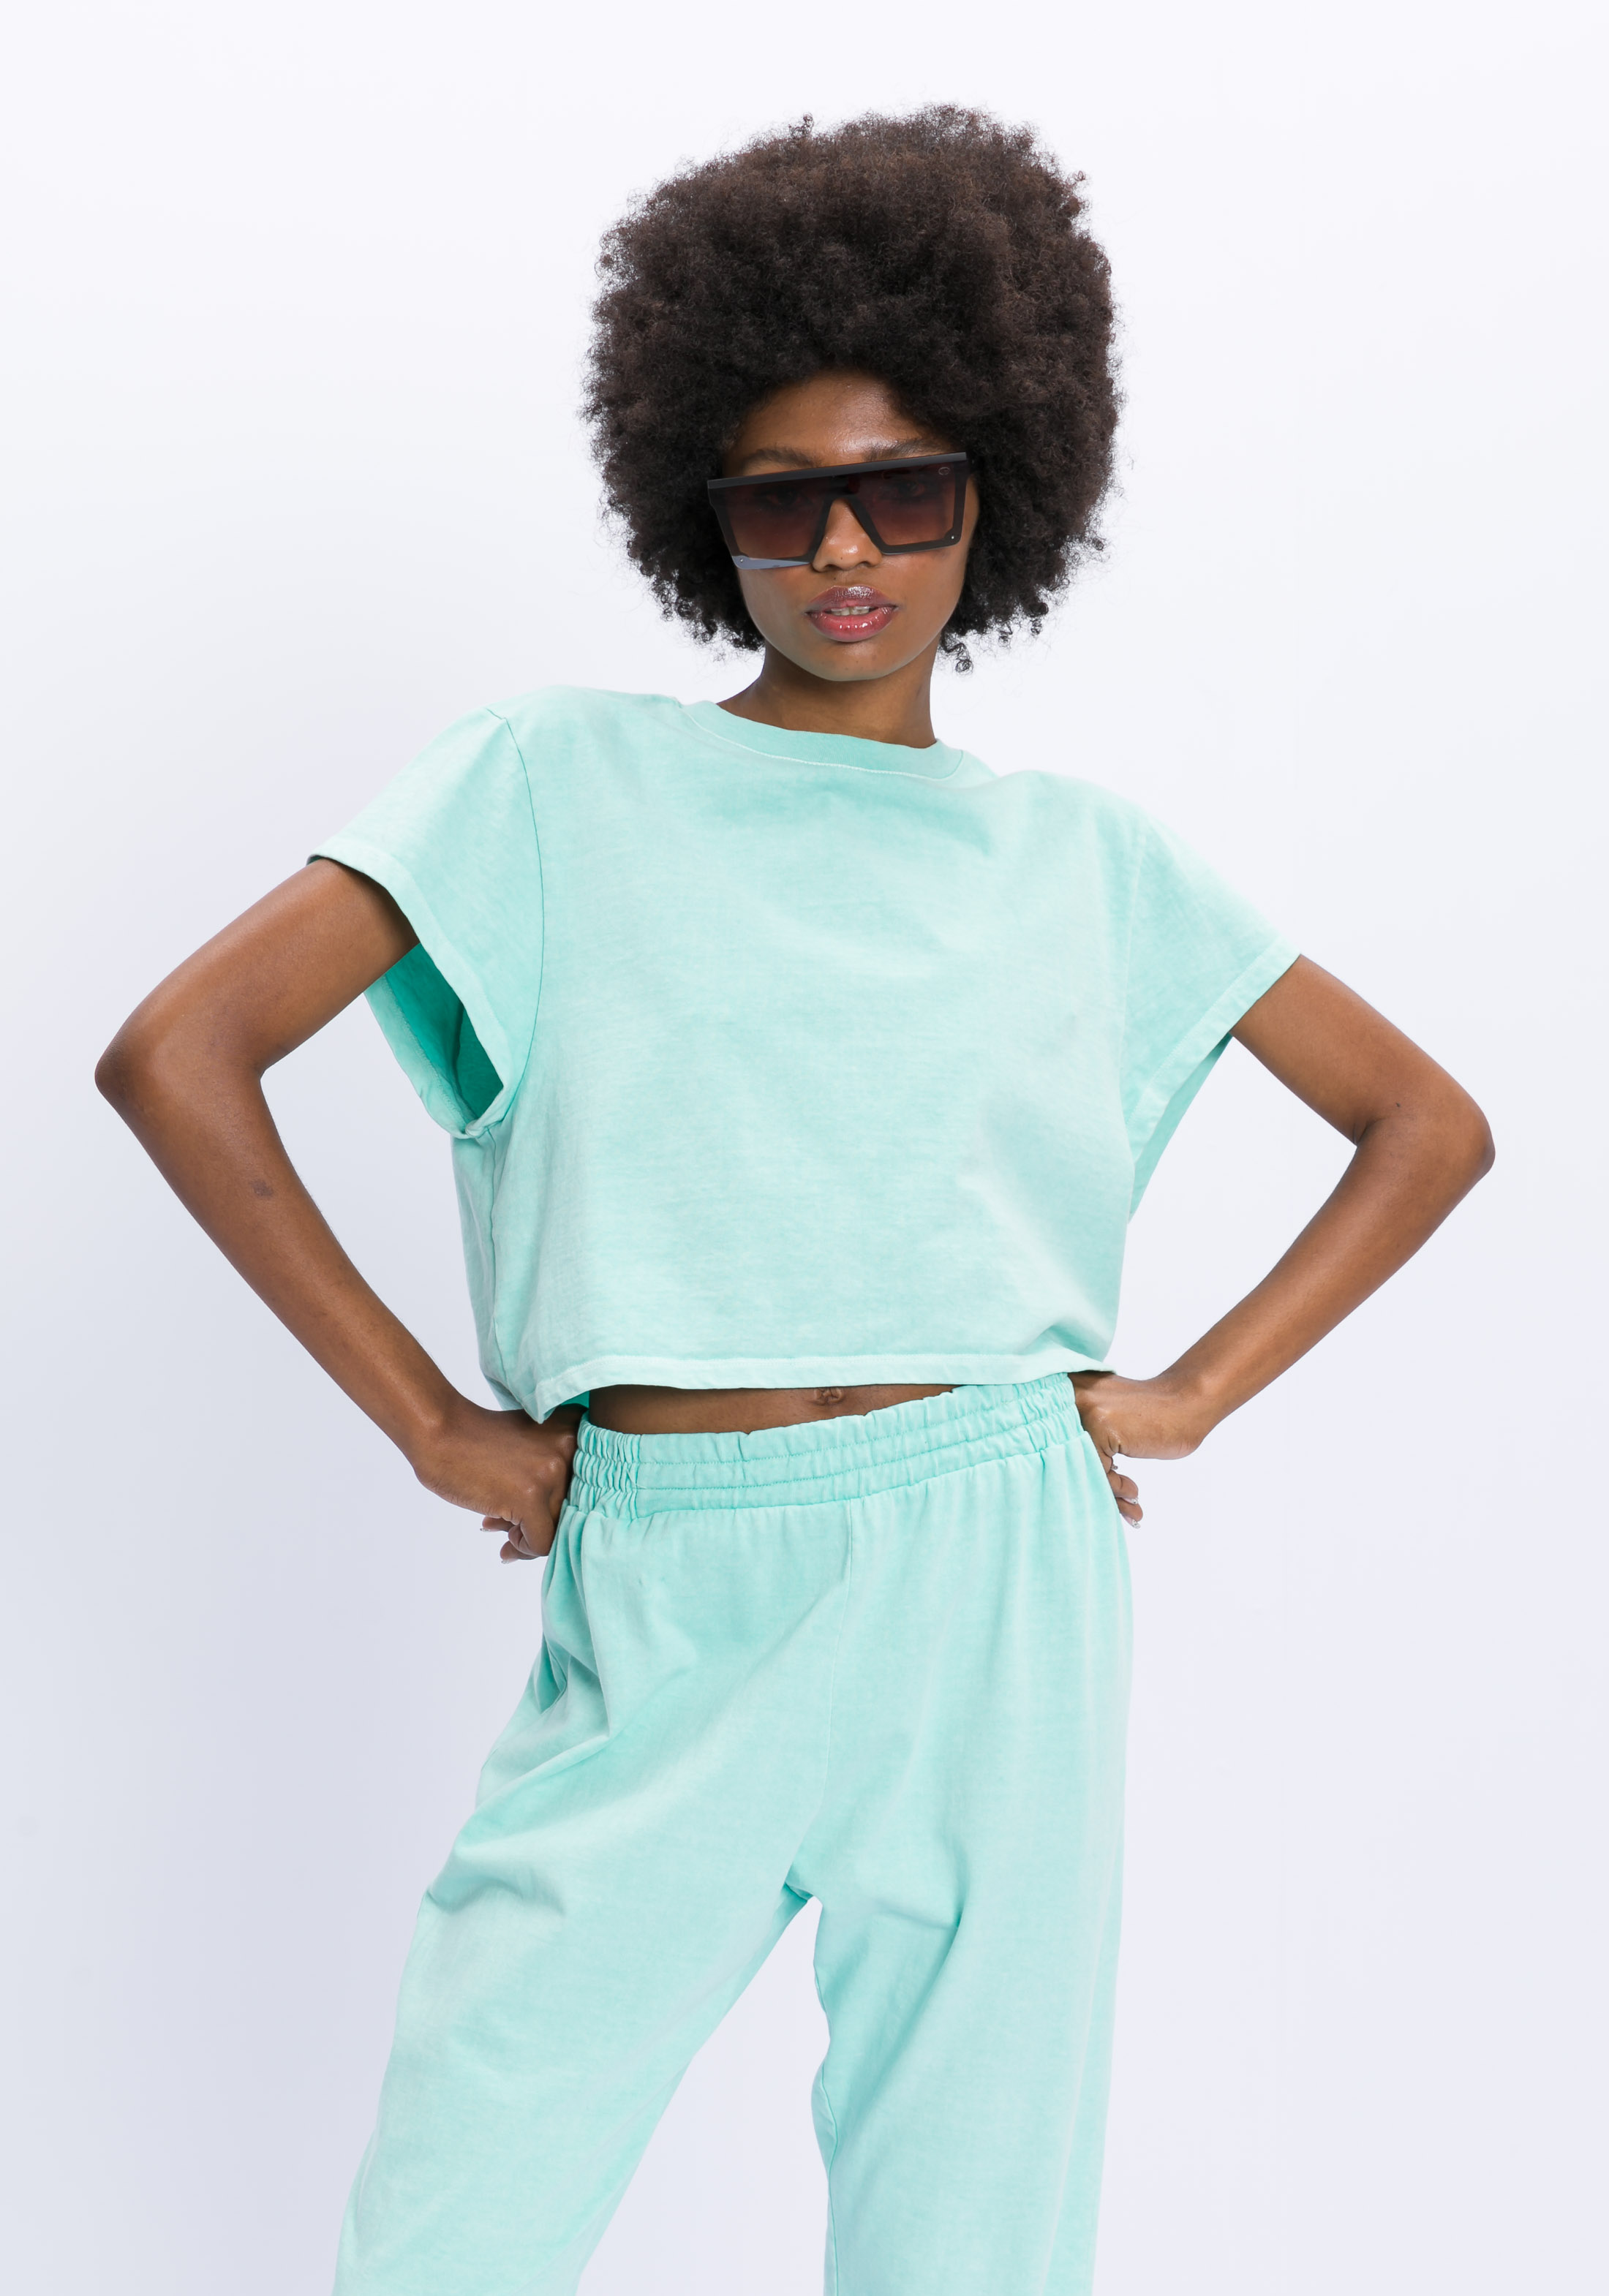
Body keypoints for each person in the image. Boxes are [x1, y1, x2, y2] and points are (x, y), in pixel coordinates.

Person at [96, 106, 1492, 2296]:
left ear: (993, 497)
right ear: (704, 516)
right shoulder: (551, 778)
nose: (846, 545)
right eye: (781, 497)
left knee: (973, 2246)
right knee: (453, 2227)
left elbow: (1424, 1121)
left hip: (997, 1578)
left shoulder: (1086, 858)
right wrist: (434, 1424)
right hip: (671, 1570)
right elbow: (178, 1052)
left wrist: (1191, 1392)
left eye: (903, 487)